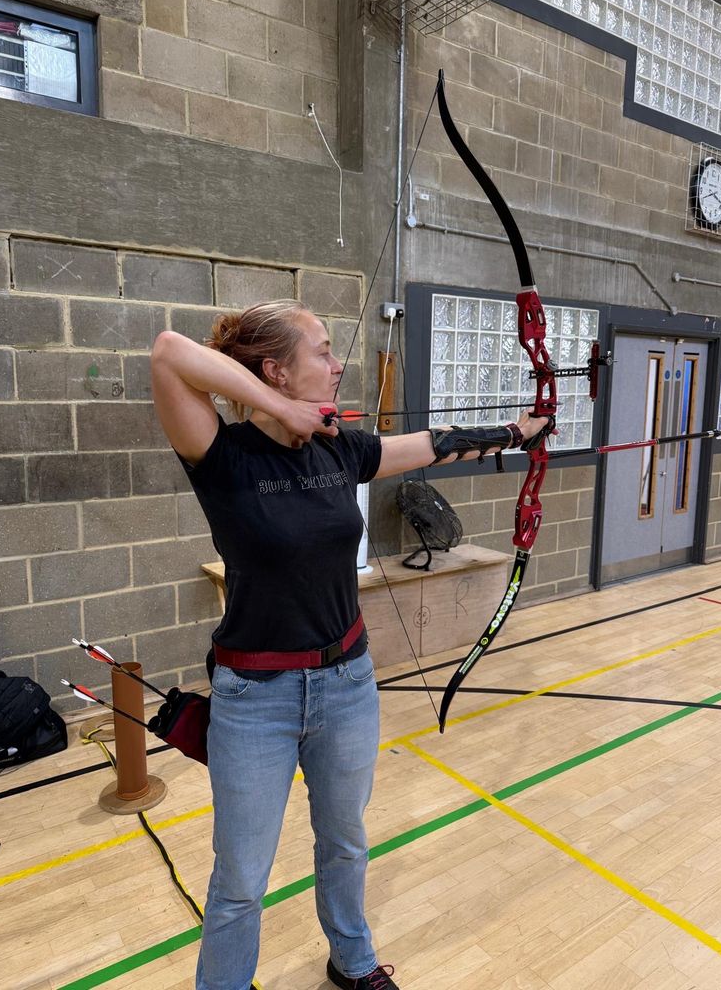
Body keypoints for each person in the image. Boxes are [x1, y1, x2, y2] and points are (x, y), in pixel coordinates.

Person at [150, 300, 548, 990]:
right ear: (275, 369)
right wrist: (280, 408)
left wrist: (519, 430)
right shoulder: (221, 455)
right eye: (324, 353)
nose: (338, 367)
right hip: (255, 699)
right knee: (241, 876)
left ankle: (353, 960)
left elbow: (434, 443)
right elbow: (167, 353)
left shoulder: (341, 449)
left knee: (345, 844)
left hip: (346, 685)